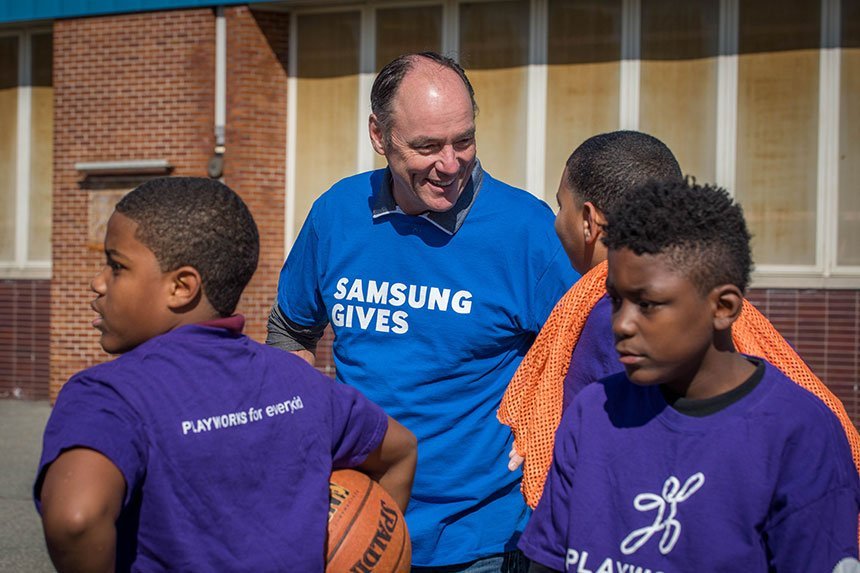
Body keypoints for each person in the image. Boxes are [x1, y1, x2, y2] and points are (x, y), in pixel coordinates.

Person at [267, 52, 578, 570]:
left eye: (464, 140)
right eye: (427, 146)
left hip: (484, 538)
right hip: (355, 522)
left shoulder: (527, 230)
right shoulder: (336, 212)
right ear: (379, 135)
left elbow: (581, 353)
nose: (451, 164)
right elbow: (290, 327)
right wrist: (307, 433)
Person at [34, 177, 417, 572]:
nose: (98, 282)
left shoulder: (109, 394)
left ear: (182, 287)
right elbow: (400, 449)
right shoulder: (299, 379)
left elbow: (75, 520)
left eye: (117, 266)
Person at [498, 130, 860, 510]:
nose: (628, 322)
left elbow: (643, 454)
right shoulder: (688, 303)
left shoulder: (612, 315)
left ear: (588, 220)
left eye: (561, 207)